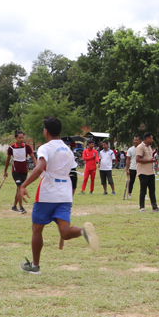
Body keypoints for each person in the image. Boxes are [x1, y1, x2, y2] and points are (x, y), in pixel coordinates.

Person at [18, 116, 99, 273]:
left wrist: (24, 184)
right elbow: (73, 174)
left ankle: (35, 266)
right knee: (65, 232)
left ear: (46, 131)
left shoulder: (45, 148)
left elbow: (40, 167)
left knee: (37, 230)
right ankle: (83, 231)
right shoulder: (67, 150)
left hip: (47, 194)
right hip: (65, 194)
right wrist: (72, 193)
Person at [4, 131, 35, 214]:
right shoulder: (11, 148)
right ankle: (21, 207)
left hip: (24, 171)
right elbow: (8, 160)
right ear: (16, 138)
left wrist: (36, 167)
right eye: (19, 138)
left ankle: (14, 206)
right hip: (15, 172)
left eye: (22, 138)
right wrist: (5, 171)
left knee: (19, 189)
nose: (21, 139)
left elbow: (32, 157)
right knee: (20, 188)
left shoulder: (27, 147)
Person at [136, 133, 159, 212]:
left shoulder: (149, 147)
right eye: (151, 138)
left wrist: (152, 160)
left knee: (152, 190)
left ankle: (154, 207)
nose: (152, 140)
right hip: (143, 172)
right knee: (143, 190)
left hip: (151, 171)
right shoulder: (140, 147)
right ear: (147, 138)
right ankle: (142, 207)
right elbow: (138, 159)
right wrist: (149, 161)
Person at [125, 135, 140, 199]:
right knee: (131, 181)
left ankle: (144, 194)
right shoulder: (130, 149)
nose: (136, 141)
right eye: (135, 140)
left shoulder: (141, 148)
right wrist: (127, 169)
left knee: (143, 181)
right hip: (132, 167)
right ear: (133, 141)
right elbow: (128, 160)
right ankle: (129, 193)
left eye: (137, 140)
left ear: (139, 141)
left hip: (140, 167)